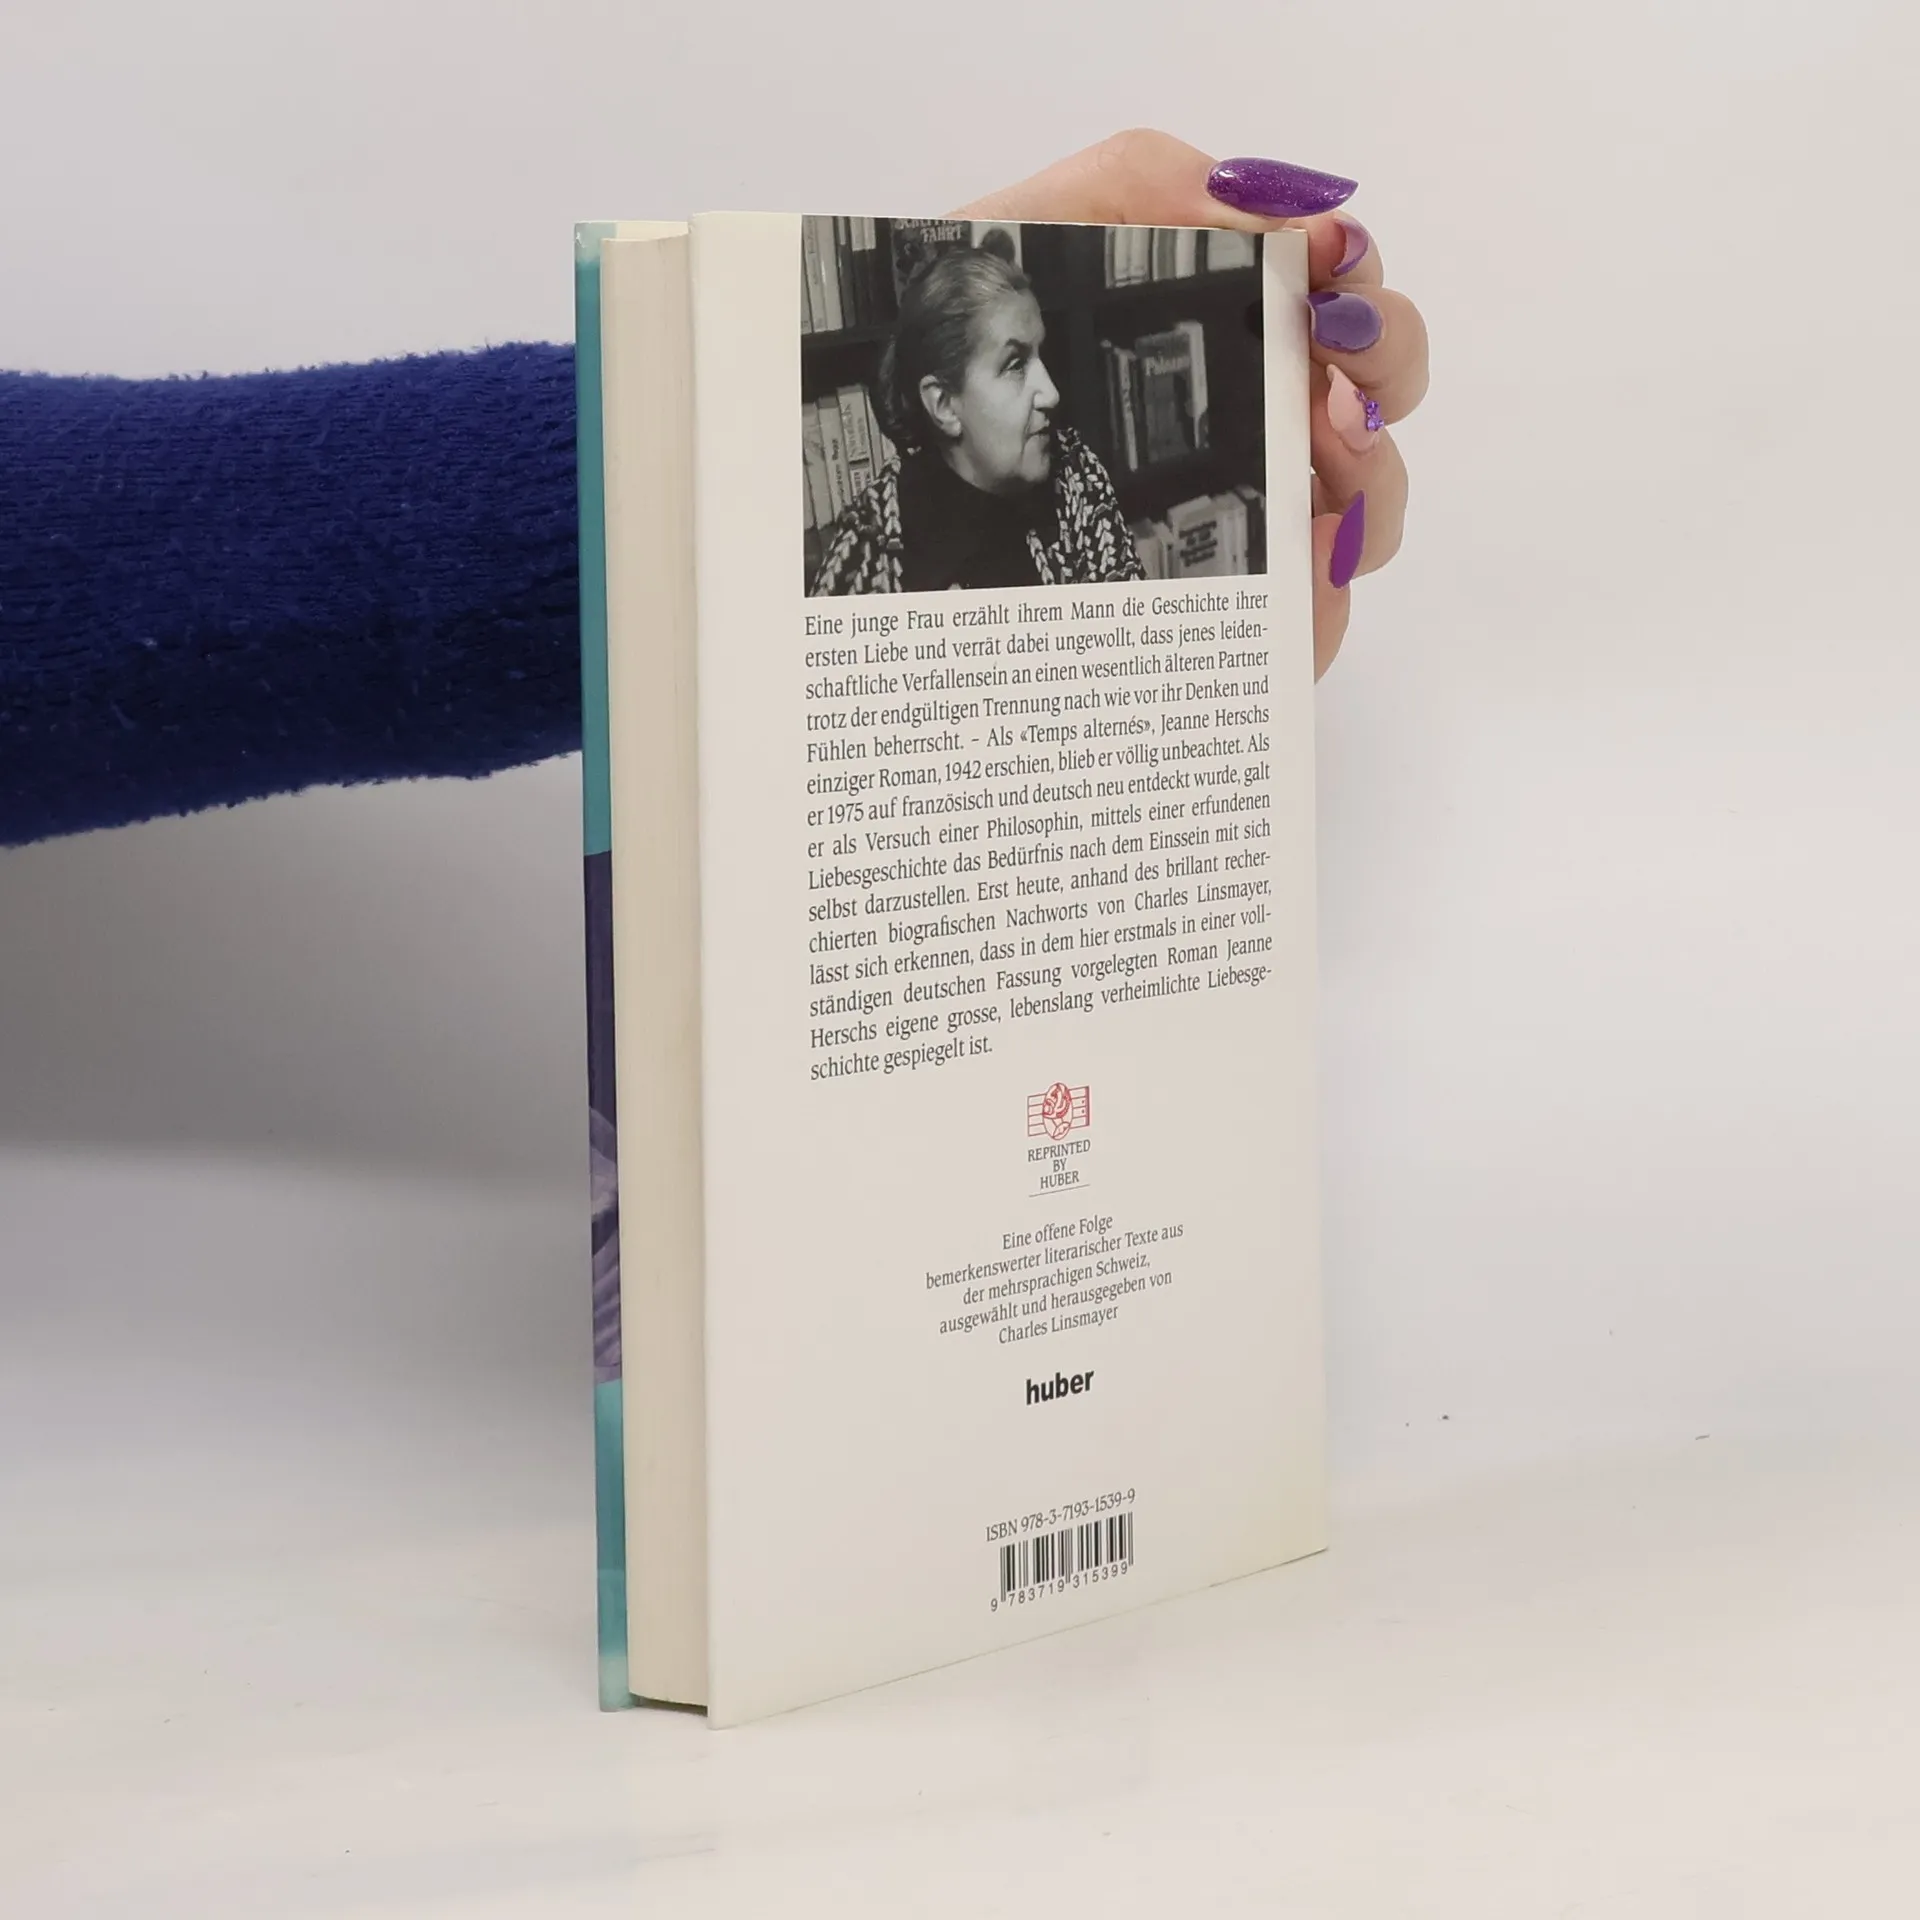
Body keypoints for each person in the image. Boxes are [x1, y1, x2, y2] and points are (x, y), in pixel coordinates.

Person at [0, 131, 1424, 849]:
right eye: (1015, 364)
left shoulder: (1090, 500)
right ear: (936, 405)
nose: (1054, 394)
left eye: (1047, 358)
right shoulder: (847, 563)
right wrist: (665, 489)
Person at [811, 240, 1145, 595]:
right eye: (1015, 365)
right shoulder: (867, 556)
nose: (1051, 393)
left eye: (1040, 356)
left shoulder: (1078, 475)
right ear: (944, 405)